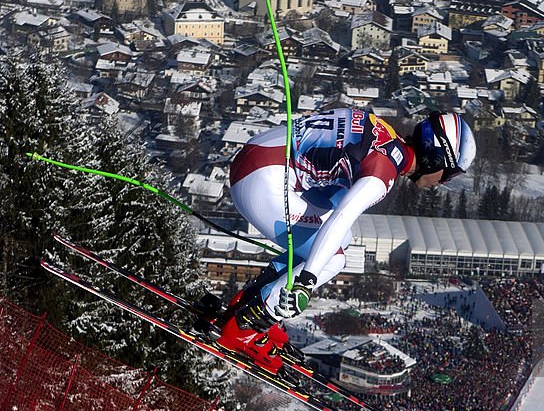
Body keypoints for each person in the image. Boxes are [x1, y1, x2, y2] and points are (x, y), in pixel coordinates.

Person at [203, 108, 475, 370]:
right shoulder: (385, 169)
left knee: (341, 240)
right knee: (333, 259)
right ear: (435, 158)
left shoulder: (384, 133)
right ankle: (244, 327)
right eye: (448, 175)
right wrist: (305, 283)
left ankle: (254, 304)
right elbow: (342, 215)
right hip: (262, 180)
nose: (441, 183)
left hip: (260, 162)